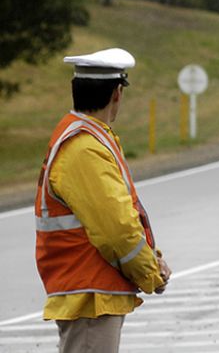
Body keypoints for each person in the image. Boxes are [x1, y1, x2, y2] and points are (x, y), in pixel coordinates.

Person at [34, 48, 171, 353]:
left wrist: (152, 259)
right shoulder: (85, 149)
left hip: (90, 295)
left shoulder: (86, 139)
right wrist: (150, 273)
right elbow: (117, 230)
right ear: (117, 93)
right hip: (89, 298)